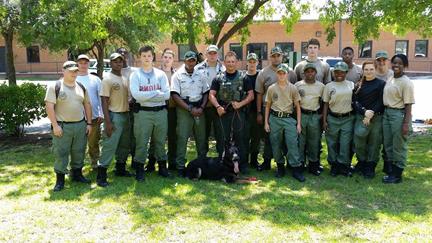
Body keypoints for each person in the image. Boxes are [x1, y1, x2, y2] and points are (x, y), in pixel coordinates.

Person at [45, 61, 92, 191]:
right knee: (61, 153)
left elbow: (87, 105)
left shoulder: (81, 87)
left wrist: (88, 123)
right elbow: (49, 107)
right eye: (70, 70)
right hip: (62, 126)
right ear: (63, 71)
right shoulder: (55, 86)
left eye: (75, 71)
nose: (73, 73)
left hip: (80, 125)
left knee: (79, 151)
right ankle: (60, 180)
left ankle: (77, 174)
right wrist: (55, 126)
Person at [129, 45, 171, 181]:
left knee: (160, 141)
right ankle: (140, 169)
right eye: (144, 56)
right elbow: (136, 95)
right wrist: (155, 93)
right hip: (143, 113)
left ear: (153, 56)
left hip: (160, 113)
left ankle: (162, 168)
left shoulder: (160, 74)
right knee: (141, 141)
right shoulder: (136, 75)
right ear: (140, 57)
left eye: (149, 55)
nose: (147, 58)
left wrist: (147, 95)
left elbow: (166, 95)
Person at [209, 51, 254, 173]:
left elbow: (251, 95)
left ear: (237, 62)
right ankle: (222, 164)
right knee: (222, 139)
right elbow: (211, 95)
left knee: (241, 139)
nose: (230, 64)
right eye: (228, 61)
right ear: (224, 62)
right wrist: (218, 107)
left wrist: (240, 104)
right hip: (223, 114)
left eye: (233, 61)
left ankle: (242, 165)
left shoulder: (244, 77)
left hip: (238, 114)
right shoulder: (218, 77)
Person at [255, 46, 297, 171]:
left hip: (287, 111)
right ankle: (267, 162)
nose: (276, 58)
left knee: (288, 140)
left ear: (282, 56)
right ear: (270, 57)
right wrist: (259, 113)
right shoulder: (263, 73)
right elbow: (259, 94)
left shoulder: (290, 72)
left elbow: (294, 91)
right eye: (273, 56)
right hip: (268, 109)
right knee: (269, 138)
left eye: (278, 55)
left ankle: (290, 164)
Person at [96, 53, 133, 187]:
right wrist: (108, 122)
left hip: (125, 114)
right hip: (114, 115)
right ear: (110, 63)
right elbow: (104, 101)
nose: (118, 63)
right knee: (109, 145)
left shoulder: (123, 78)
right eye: (115, 61)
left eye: (120, 61)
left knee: (124, 144)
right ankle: (101, 175)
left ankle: (120, 169)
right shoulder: (107, 79)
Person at [264, 63, 305, 182]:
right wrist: (266, 123)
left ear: (287, 74)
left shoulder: (292, 88)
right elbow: (267, 106)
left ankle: (296, 168)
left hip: (288, 119)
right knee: (275, 143)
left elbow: (297, 106)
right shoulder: (272, 88)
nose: (281, 75)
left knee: (292, 143)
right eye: (279, 73)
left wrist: (298, 123)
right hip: (275, 118)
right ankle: (280, 166)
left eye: (284, 73)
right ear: (277, 74)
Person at [171, 51, 209, 176]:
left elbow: (205, 92)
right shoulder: (177, 75)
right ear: (184, 61)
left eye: (193, 60)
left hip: (199, 109)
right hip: (184, 110)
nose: (191, 62)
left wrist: (202, 108)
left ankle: (202, 165)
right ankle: (180, 167)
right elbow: (175, 95)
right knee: (182, 138)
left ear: (195, 61)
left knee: (201, 138)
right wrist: (189, 109)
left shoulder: (201, 75)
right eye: (188, 60)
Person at [382, 54, 414, 184]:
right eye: (394, 62)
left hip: (398, 115)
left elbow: (408, 104)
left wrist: (406, 123)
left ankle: (397, 174)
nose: (396, 65)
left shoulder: (406, 82)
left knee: (398, 145)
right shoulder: (391, 78)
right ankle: (391, 171)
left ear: (404, 65)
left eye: (400, 63)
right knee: (388, 144)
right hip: (387, 113)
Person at [352, 61, 385, 179]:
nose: (369, 72)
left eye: (371, 69)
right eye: (366, 69)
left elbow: (381, 101)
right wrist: (364, 112)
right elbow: (355, 101)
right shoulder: (358, 85)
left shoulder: (381, 84)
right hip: (361, 117)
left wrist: (371, 113)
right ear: (363, 71)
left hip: (376, 117)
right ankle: (362, 162)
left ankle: (370, 166)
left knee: (374, 142)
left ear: (375, 70)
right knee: (359, 139)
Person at [146, 48, 178, 172]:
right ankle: (151, 163)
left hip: (172, 109)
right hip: (158, 108)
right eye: (165, 57)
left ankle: (172, 163)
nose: (167, 59)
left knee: (172, 137)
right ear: (161, 58)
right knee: (155, 137)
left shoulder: (176, 74)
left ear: (173, 60)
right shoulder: (155, 73)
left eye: (170, 57)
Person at [322, 62, 355, 177]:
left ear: (346, 72)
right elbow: (325, 104)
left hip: (347, 118)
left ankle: (343, 166)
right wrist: (324, 120)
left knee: (345, 143)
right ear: (333, 73)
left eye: (342, 72)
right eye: (336, 72)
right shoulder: (329, 86)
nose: (339, 74)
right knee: (332, 143)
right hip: (333, 118)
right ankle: (334, 165)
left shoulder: (351, 85)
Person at [195, 45, 226, 157]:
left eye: (214, 53)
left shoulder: (224, 68)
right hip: (203, 106)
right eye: (210, 53)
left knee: (220, 134)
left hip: (218, 106)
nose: (212, 55)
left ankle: (222, 159)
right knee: (203, 134)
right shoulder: (197, 68)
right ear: (206, 54)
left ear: (218, 54)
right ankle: (202, 158)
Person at [295, 63, 325, 176]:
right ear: (304, 73)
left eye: (312, 71)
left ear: (316, 73)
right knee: (300, 141)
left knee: (314, 141)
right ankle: (300, 164)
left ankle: (313, 165)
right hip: (302, 114)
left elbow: (324, 102)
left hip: (314, 116)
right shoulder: (298, 85)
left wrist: (321, 115)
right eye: (307, 71)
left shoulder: (321, 86)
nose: (310, 73)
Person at [76, 54, 103, 169]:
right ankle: (77, 165)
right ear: (77, 63)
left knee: (93, 142)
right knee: (77, 144)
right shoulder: (73, 77)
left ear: (89, 64)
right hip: (77, 117)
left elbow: (101, 97)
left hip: (94, 117)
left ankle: (94, 161)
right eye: (81, 62)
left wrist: (101, 113)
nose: (83, 65)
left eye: (85, 62)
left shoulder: (95, 79)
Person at [116, 47, 139, 170]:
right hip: (120, 110)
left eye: (125, 53)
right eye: (120, 53)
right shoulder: (113, 72)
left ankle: (136, 161)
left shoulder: (135, 71)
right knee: (122, 137)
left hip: (134, 108)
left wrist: (133, 100)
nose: (123, 55)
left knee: (135, 135)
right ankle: (121, 163)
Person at [243, 53, 262, 168]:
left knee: (256, 138)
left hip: (257, 112)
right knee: (245, 137)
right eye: (250, 61)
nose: (252, 63)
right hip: (245, 112)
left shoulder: (261, 76)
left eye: (254, 61)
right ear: (247, 62)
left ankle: (254, 161)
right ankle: (244, 161)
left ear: (257, 62)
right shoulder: (242, 77)